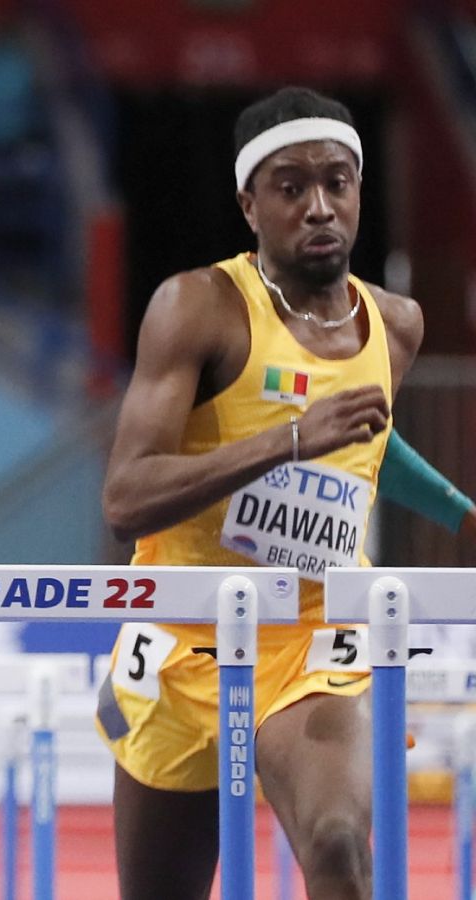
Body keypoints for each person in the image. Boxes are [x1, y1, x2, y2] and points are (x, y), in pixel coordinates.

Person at [96, 85, 476, 899]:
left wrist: (458, 509)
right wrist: (291, 437)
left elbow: (371, 443)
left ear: (361, 191)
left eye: (338, 182)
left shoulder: (396, 325)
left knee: (339, 844)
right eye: (291, 186)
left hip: (312, 638)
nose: (319, 207)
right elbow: (126, 495)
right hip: (180, 634)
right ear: (249, 203)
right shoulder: (199, 307)